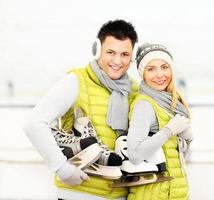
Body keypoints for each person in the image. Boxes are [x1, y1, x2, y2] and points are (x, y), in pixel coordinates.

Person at [23, 19, 138, 200]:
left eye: (124, 54)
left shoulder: (133, 90)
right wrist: (61, 168)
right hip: (79, 192)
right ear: (97, 49)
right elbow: (34, 123)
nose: (117, 60)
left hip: (119, 193)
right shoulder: (76, 81)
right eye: (110, 52)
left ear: (132, 56)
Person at [126, 43, 193, 200]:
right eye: (151, 69)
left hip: (174, 192)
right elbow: (135, 154)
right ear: (143, 74)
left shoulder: (170, 104)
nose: (160, 74)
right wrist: (169, 130)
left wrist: (187, 138)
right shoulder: (145, 104)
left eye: (164, 67)